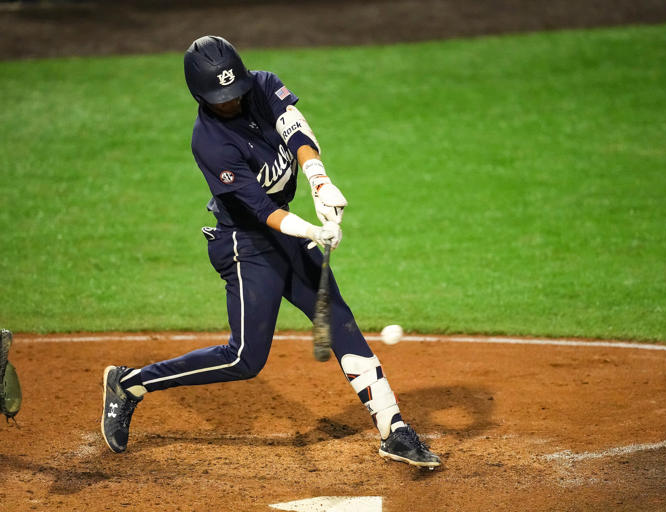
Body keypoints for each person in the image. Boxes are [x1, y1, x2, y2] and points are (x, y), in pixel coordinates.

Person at [100, 36, 440, 468]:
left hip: (282, 231)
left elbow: (293, 126)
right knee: (244, 358)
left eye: (236, 91)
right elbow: (260, 210)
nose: (232, 102)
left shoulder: (261, 86)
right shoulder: (209, 141)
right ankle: (129, 383)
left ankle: (394, 429)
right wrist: (311, 230)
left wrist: (318, 180)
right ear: (201, 97)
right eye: (221, 98)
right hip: (245, 245)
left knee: (337, 317)